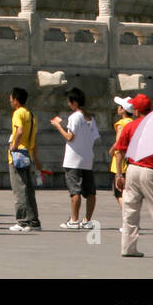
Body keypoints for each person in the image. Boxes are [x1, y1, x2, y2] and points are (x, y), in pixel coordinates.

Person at [112, 93, 153, 259]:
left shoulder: (130, 127)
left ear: (136, 111)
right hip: (150, 171)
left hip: (132, 169)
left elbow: (119, 152)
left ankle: (128, 247)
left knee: (130, 211)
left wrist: (119, 174)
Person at [52, 87, 100, 229]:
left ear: (74, 102)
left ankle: (74, 220)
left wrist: (58, 126)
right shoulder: (90, 118)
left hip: (73, 159)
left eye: (69, 102)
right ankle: (87, 220)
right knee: (90, 192)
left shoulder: (74, 117)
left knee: (75, 191)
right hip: (87, 158)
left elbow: (70, 137)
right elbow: (94, 138)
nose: (68, 104)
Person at [6, 87, 41, 232]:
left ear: (16, 100)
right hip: (28, 154)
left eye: (11, 99)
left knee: (19, 189)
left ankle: (22, 221)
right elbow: (34, 139)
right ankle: (34, 220)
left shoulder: (18, 113)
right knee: (28, 189)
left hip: (17, 155)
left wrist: (13, 146)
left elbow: (19, 130)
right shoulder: (31, 115)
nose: (10, 102)